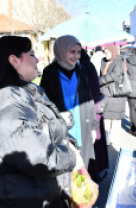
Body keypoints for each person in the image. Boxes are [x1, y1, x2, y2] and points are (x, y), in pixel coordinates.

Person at [0, 36, 82, 207]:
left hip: (27, 193)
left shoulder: (25, 91)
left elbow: (43, 128)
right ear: (14, 60)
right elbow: (36, 155)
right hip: (16, 198)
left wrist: (68, 144)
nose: (37, 59)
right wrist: (72, 158)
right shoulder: (7, 98)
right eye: (31, 54)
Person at [40, 35, 99, 181]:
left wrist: (93, 127)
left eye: (78, 52)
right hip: (62, 129)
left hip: (82, 127)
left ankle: (82, 200)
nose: (76, 56)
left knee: (83, 168)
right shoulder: (49, 72)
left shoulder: (81, 70)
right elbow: (43, 103)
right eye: (72, 52)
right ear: (61, 50)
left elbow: (89, 99)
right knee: (65, 171)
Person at [79, 49, 109, 182]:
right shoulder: (89, 66)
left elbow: (89, 91)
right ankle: (99, 168)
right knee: (97, 140)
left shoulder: (84, 68)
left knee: (94, 142)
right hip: (95, 108)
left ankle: (95, 171)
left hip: (91, 108)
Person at [100, 45, 126, 145]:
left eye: (107, 52)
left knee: (115, 120)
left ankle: (113, 141)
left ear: (112, 51)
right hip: (107, 94)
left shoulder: (119, 62)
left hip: (116, 95)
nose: (105, 54)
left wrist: (100, 80)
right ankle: (106, 140)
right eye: (105, 53)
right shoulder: (105, 62)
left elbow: (115, 75)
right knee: (106, 118)